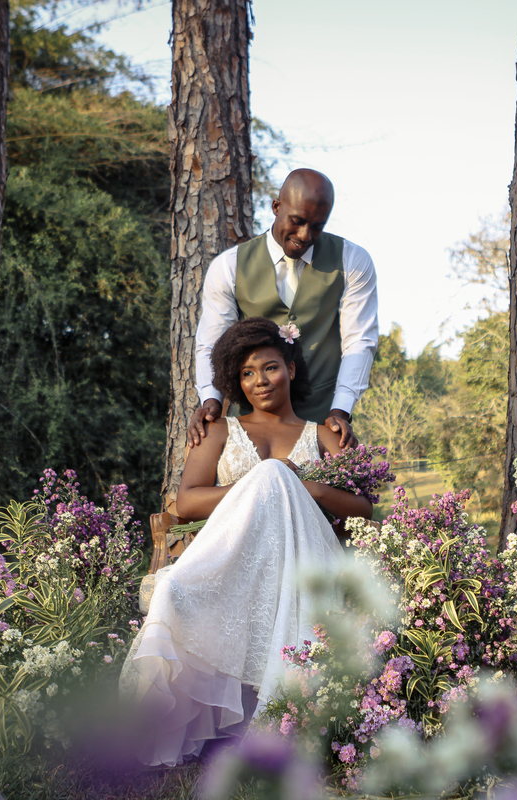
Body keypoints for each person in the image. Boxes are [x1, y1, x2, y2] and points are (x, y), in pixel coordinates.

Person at [121, 317, 373, 766]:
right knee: (176, 589)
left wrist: (307, 486)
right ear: (236, 381)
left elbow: (364, 508)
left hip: (306, 561)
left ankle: (286, 718)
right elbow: (187, 500)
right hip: (235, 557)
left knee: (277, 472)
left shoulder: (324, 435)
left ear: (291, 369)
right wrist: (264, 479)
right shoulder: (219, 429)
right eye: (247, 373)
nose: (260, 381)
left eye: (270, 367)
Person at [190, 168, 378, 449]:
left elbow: (359, 342)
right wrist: (211, 400)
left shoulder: (352, 261)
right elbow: (211, 343)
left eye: (317, 226)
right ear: (276, 206)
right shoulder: (229, 267)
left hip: (323, 423)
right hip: (251, 427)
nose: (305, 235)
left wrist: (340, 410)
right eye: (297, 221)